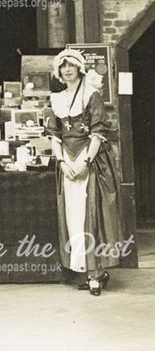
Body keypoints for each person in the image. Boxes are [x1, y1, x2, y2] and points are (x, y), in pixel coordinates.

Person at [45, 48, 121, 296]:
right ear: (58, 71)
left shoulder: (91, 95)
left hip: (91, 160)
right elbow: (55, 135)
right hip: (67, 161)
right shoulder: (56, 99)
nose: (67, 70)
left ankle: (95, 274)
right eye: (63, 66)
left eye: (71, 65)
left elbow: (98, 132)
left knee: (93, 215)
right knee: (74, 216)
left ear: (79, 68)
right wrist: (63, 163)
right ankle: (87, 269)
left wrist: (85, 161)